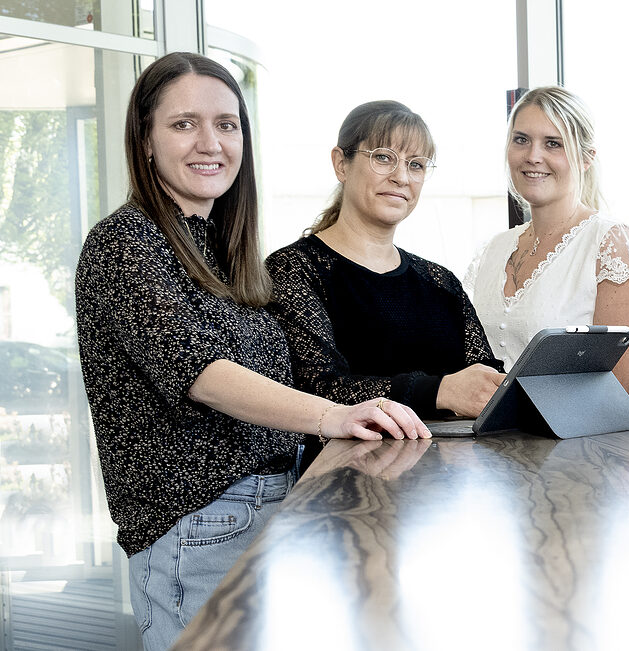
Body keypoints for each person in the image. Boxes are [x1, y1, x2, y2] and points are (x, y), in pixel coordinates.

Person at [73, 53, 428, 651]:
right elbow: (204, 372)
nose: (210, 143)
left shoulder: (223, 249)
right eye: (184, 124)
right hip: (200, 530)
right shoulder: (125, 242)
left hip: (271, 508)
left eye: (226, 124)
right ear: (145, 140)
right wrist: (334, 415)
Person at [266, 101, 505, 441]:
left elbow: (484, 380)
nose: (401, 177)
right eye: (383, 157)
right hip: (346, 468)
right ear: (341, 164)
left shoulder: (441, 282)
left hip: (450, 467)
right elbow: (316, 389)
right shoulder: (293, 269)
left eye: (415, 164)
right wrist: (440, 391)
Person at [468, 86, 629, 406]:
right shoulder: (491, 250)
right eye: (521, 139)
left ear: (586, 158)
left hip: (576, 437)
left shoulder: (610, 243)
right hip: (479, 436)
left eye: (553, 143)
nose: (533, 156)